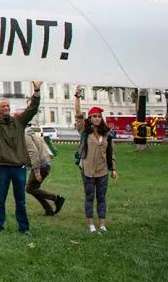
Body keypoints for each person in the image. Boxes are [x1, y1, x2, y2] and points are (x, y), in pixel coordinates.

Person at [0, 80, 42, 233]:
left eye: (8, 106)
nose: (7, 108)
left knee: (20, 201)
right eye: (3, 106)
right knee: (0, 200)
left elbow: (32, 109)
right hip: (3, 168)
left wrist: (36, 90)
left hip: (19, 168)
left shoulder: (19, 121)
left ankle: (24, 228)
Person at [74, 87, 118, 232]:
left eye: (99, 116)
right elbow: (78, 115)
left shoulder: (107, 134)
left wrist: (114, 169)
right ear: (90, 118)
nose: (97, 118)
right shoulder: (84, 131)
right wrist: (77, 96)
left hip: (103, 170)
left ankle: (103, 224)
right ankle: (91, 224)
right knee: (89, 196)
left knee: (101, 197)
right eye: (94, 116)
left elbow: (111, 152)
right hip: (87, 170)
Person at [24, 123, 64, 216]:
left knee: (30, 189)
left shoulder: (25, 134)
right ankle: (49, 210)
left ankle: (56, 198)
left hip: (40, 165)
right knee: (33, 188)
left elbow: (33, 152)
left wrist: (37, 172)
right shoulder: (30, 132)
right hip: (43, 164)